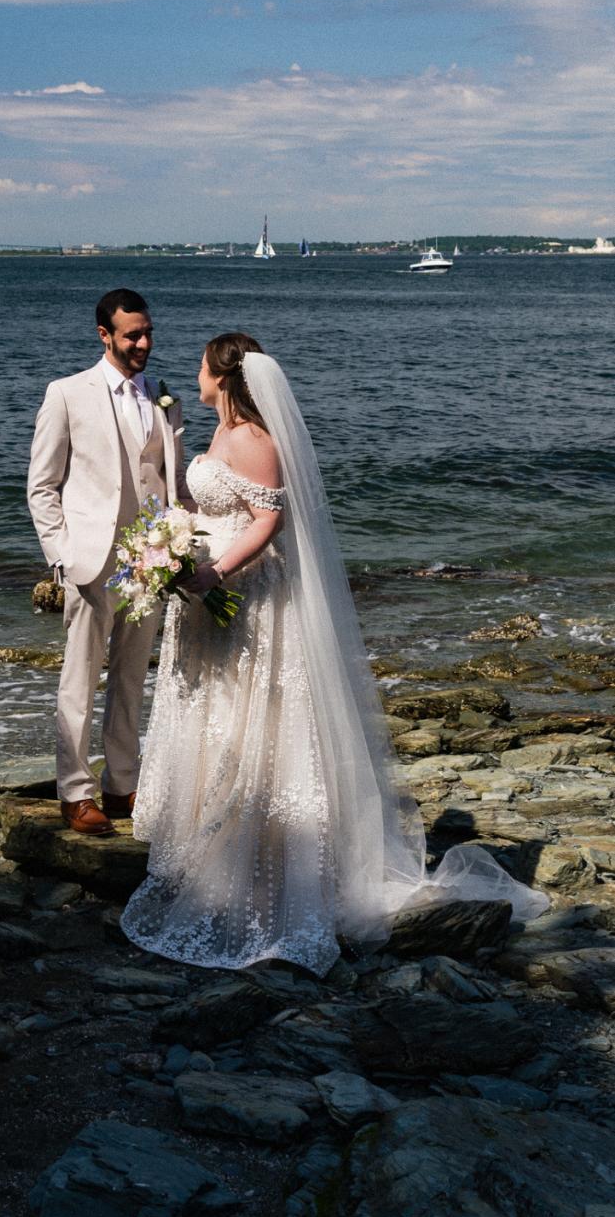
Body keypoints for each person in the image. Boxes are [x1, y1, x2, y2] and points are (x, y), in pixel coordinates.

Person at [121, 332, 547, 971]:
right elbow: (221, 503)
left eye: (202, 367)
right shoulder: (220, 432)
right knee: (215, 717)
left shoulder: (254, 440)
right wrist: (171, 541)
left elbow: (268, 521)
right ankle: (210, 853)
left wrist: (212, 574)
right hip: (212, 598)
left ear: (224, 376)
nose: (195, 374)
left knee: (252, 723)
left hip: (247, 598)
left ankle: (262, 870)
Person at [27, 288, 188, 835]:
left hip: (151, 564)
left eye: (147, 332)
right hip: (90, 562)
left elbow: (172, 483)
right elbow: (42, 488)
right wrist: (63, 556)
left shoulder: (165, 399)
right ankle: (75, 792)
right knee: (78, 682)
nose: (143, 343)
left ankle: (122, 786)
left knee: (129, 680)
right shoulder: (67, 394)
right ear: (104, 336)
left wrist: (182, 542)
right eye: (132, 335)